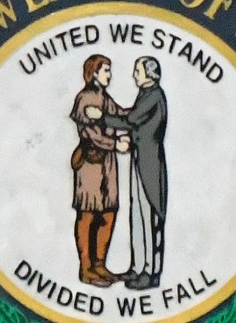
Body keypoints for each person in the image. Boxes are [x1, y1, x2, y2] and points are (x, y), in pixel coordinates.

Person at [70, 55, 129, 284]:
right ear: (94, 73)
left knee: (108, 213)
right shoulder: (85, 98)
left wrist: (141, 112)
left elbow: (118, 114)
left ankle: (100, 265)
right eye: (106, 71)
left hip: (108, 165)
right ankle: (86, 269)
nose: (109, 75)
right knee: (88, 213)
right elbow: (91, 133)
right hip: (90, 163)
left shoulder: (104, 97)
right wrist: (115, 144)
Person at [115, 57, 168, 288]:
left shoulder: (154, 95)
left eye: (137, 70)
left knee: (149, 217)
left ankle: (150, 272)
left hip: (150, 164)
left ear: (149, 74)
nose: (135, 74)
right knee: (137, 214)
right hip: (139, 159)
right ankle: (137, 267)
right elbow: (139, 124)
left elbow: (132, 119)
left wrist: (102, 117)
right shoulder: (145, 94)